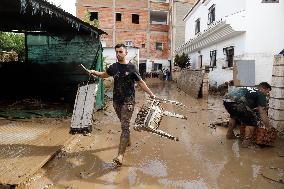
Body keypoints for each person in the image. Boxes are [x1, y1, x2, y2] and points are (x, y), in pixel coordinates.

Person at [87, 44, 155, 166]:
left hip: (128, 102)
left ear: (126, 53)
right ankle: (127, 139)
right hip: (116, 102)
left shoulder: (132, 67)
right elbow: (104, 75)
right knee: (124, 125)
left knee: (124, 126)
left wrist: (151, 94)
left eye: (120, 52)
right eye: (116, 52)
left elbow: (141, 82)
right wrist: (93, 72)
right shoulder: (114, 67)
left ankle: (120, 156)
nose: (118, 54)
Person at [223, 82, 271, 147]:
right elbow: (262, 113)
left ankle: (229, 135)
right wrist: (268, 126)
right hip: (238, 103)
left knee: (234, 116)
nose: (267, 94)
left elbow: (248, 102)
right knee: (251, 121)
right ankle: (246, 143)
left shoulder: (251, 88)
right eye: (267, 92)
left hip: (226, 100)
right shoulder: (261, 94)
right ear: (263, 88)